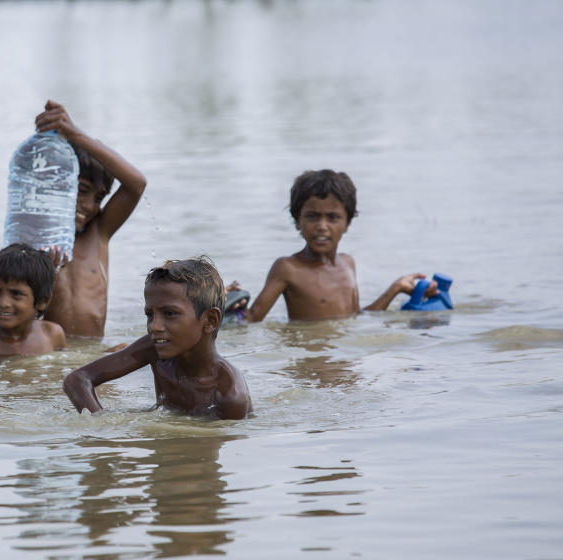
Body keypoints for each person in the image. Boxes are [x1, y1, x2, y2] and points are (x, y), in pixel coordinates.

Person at [63, 257, 251, 420]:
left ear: (210, 320)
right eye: (150, 315)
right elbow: (77, 380)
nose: (154, 327)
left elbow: (210, 448)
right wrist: (100, 428)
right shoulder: (156, 349)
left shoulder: (230, 396)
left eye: (170, 313)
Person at [243, 170, 438, 322]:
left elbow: (357, 319)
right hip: (310, 363)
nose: (322, 227)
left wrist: (396, 288)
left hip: (346, 362)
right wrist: (227, 302)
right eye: (312, 216)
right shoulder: (288, 268)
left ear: (348, 223)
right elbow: (251, 319)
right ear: (297, 220)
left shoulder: (347, 263)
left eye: (333, 217)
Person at [35, 99, 146, 338]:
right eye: (82, 190)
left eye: (99, 197)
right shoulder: (33, 238)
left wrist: (76, 135)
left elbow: (136, 184)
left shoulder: (100, 232)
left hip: (92, 353)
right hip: (51, 354)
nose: (89, 205)